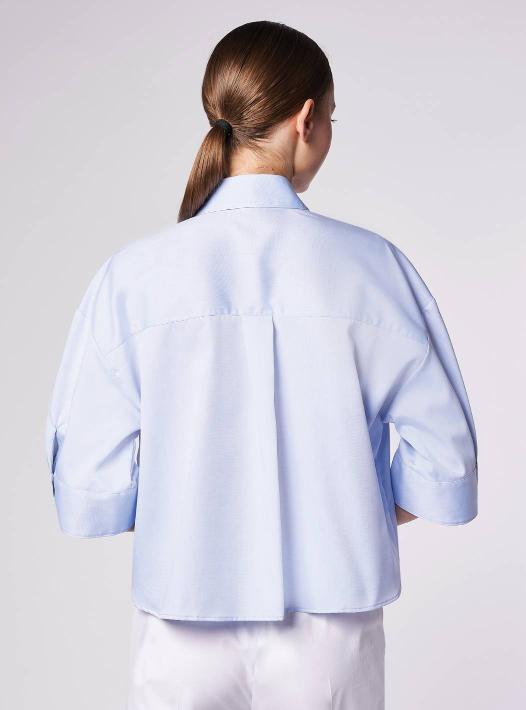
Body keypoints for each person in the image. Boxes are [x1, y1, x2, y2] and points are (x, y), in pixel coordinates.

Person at [45, 20, 478, 710]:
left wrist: (191, 512)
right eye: (330, 117)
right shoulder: (374, 268)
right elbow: (446, 461)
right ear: (306, 119)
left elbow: (89, 481)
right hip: (332, 626)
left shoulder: (133, 276)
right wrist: (352, 505)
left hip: (181, 620)